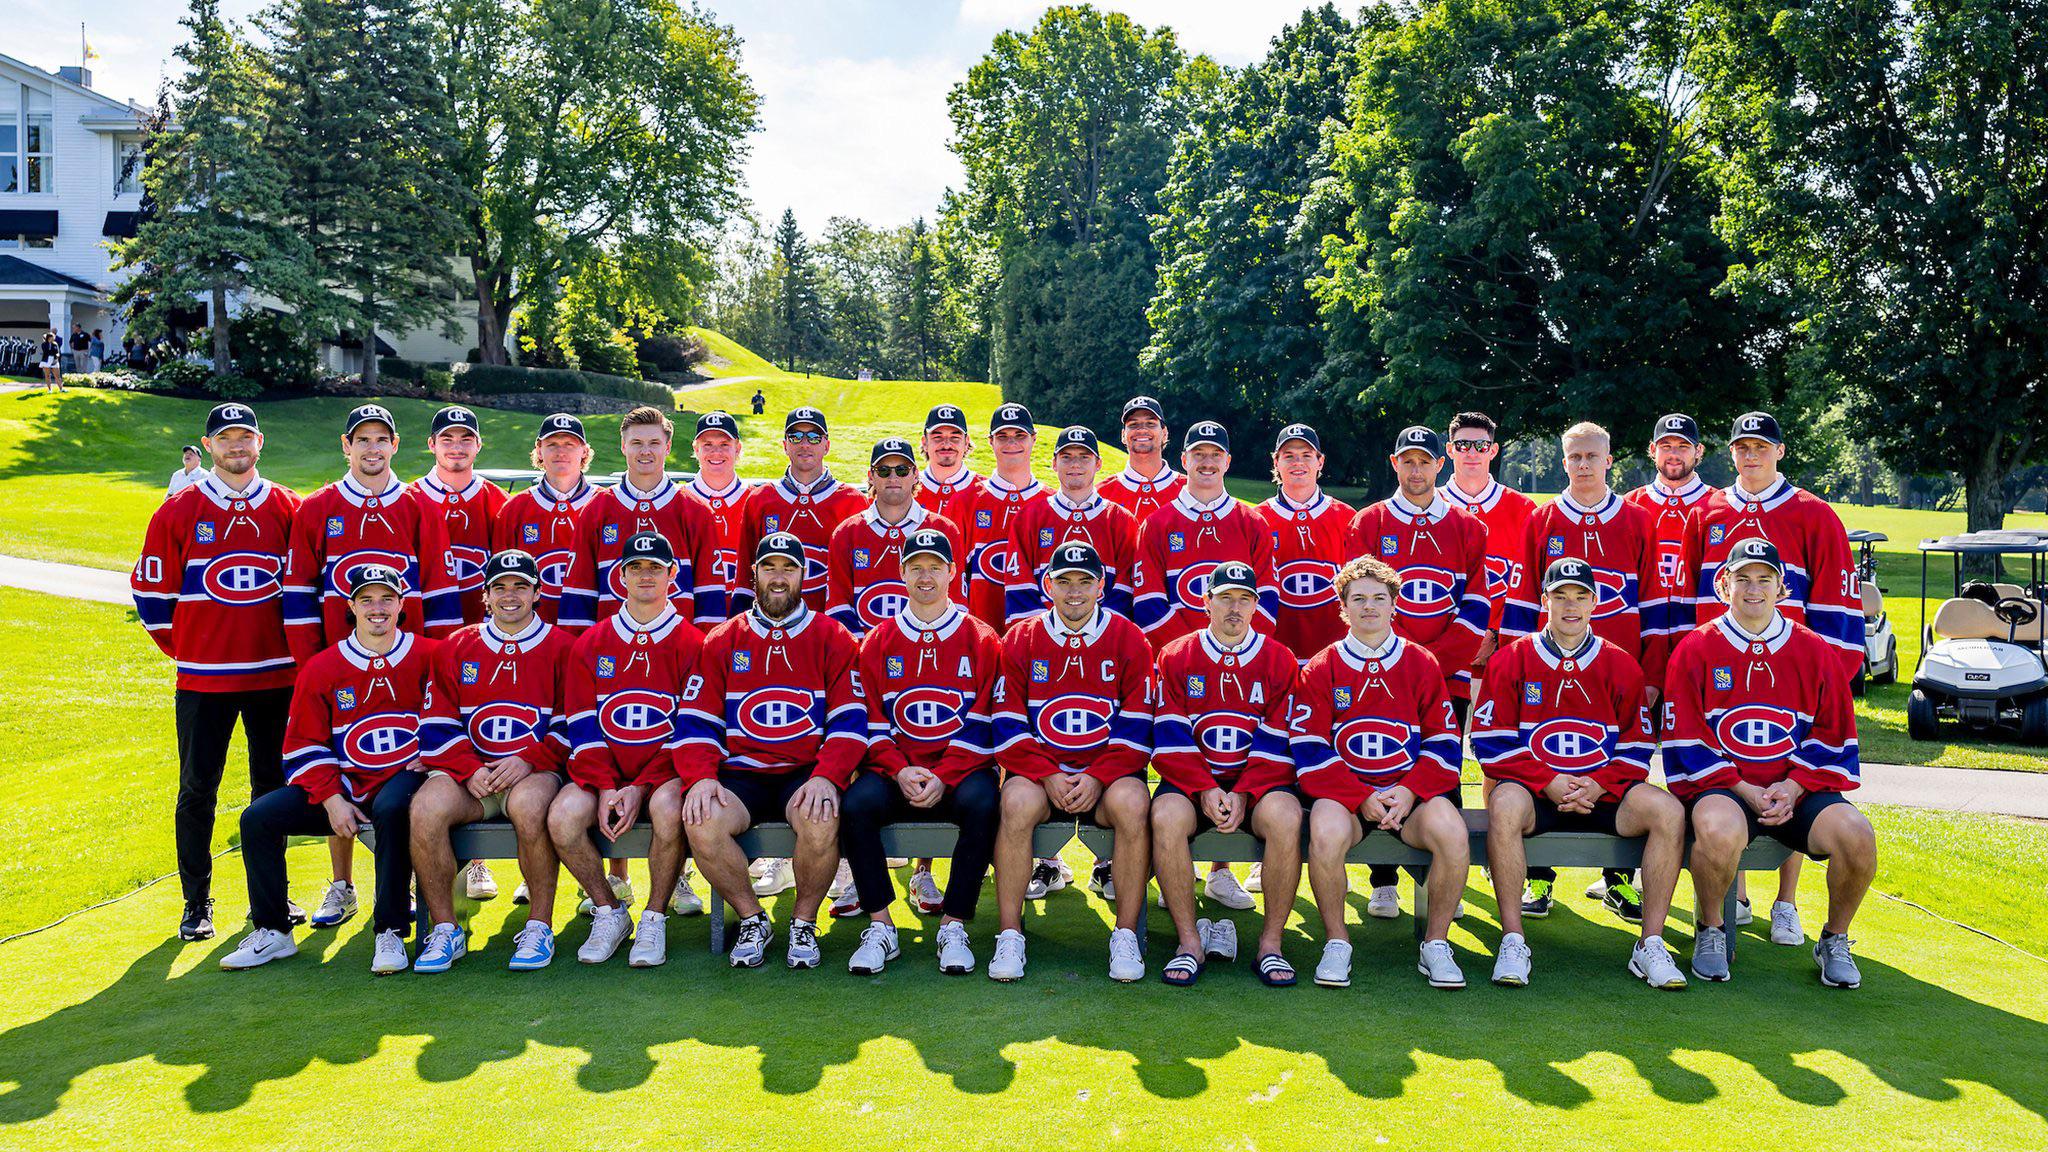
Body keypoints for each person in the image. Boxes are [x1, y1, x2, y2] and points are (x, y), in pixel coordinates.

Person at [1678, 410, 1864, 943]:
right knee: (1730, 783)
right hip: (1720, 671)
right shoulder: (1707, 510)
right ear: (1731, 452)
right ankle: (1733, 895)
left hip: (1795, 676)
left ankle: (1786, 901)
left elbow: (1838, 607)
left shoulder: (1813, 513)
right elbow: (1690, 599)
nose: (1751, 455)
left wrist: (1828, 684)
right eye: (1742, 447)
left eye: (1762, 446)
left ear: (1780, 451)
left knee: (1789, 773)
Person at [1664, 539, 1875, 988]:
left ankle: (1835, 938)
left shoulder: (1815, 650)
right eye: (1742, 578)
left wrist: (1794, 787)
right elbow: (1685, 737)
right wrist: (1744, 788)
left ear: (1782, 587)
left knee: (1857, 836)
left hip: (1795, 790)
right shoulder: (1696, 648)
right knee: (1717, 829)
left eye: (1764, 579)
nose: (1753, 589)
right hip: (1726, 789)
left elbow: (1833, 733)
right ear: (1724, 585)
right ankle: (1712, 929)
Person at [1472, 557, 1690, 989]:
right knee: (1504, 803)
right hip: (1537, 794)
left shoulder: (1621, 664)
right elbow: (1490, 741)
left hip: (1602, 795)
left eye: (1580, 596)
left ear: (1595, 601)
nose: (1570, 605)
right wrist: (1547, 781)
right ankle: (1513, 938)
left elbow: (1638, 745)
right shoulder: (1511, 660)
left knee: (1668, 811)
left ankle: (1651, 943)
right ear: (1544, 600)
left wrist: (1599, 783)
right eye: (1560, 596)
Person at [283, 403, 461, 923]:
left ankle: (409, 884)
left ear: (395, 445)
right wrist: (313, 669)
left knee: (406, 774)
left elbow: (442, 596)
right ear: (347, 446)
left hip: (411, 669)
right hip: (337, 670)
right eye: (362, 439)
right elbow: (298, 596)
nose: (372, 448)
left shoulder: (420, 506)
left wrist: (439, 673)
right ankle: (341, 885)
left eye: (381, 439)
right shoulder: (317, 508)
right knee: (339, 766)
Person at [132, 403, 303, 941]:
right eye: (225, 437)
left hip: (276, 676)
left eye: (244, 436)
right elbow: (150, 596)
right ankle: (196, 902)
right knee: (197, 789)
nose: (236, 445)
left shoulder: (288, 506)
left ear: (260, 442)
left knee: (272, 790)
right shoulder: (179, 509)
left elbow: (306, 588)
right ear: (208, 446)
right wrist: (192, 650)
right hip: (204, 680)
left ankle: (269, 899)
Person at [219, 567, 433, 973]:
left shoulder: (429, 656)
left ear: (401, 604)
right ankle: (274, 930)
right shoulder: (322, 668)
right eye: (366, 599)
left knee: (391, 808)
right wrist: (332, 800)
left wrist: (436, 751)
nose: (377, 608)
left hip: (404, 779)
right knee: (257, 818)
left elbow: (457, 712)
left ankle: (389, 929)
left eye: (386, 599)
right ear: (350, 606)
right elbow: (302, 745)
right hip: (345, 786)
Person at [1498, 422, 1667, 924]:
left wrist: (1651, 673)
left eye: (1593, 456)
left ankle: (1618, 881)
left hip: (1619, 675)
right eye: (1575, 457)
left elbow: (1655, 605)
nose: (1584, 465)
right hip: (1546, 672)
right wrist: (1513, 668)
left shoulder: (1637, 520)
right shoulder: (1542, 519)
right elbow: (1522, 600)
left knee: (1616, 767)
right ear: (1563, 461)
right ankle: (1538, 879)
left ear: (1609, 460)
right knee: (1545, 762)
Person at [675, 532, 867, 969]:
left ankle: (803, 922)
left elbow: (851, 721)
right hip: (740, 773)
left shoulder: (831, 636)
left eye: (788, 568)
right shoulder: (723, 639)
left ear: (804, 574)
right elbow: (696, 721)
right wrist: (700, 777)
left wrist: (827, 776)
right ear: (754, 574)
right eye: (769, 567)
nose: (778, 578)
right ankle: (752, 918)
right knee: (701, 819)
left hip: (805, 770)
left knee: (821, 817)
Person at [1293, 556, 1471, 990]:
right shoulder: (1321, 667)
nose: (1369, 606)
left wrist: (1409, 791)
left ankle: (1436, 943)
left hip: (1410, 798)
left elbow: (1445, 742)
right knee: (1325, 831)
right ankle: (1337, 941)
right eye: (1358, 599)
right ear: (1343, 608)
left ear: (1395, 604)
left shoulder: (1421, 662)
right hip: (1348, 799)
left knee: (1453, 831)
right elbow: (1309, 747)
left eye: (1378, 598)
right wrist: (1359, 797)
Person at [840, 528, 1006, 974]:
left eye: (935, 567)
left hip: (960, 771)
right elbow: (870, 719)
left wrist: (945, 775)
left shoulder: (982, 638)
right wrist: (898, 769)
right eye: (916, 567)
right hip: (897, 771)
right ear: (902, 573)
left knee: (985, 802)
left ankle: (954, 924)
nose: (926, 576)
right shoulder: (877, 640)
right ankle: (880, 924)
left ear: (952, 572)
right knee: (855, 804)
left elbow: (987, 718)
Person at [988, 542, 1155, 983]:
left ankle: (1125, 934)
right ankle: (1010, 933)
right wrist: (1046, 773)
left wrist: (1098, 777)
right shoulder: (1021, 638)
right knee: (1014, 803)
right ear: (1048, 585)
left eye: (1085, 581)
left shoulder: (1129, 638)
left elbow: (1139, 724)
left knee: (1134, 803)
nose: (1074, 591)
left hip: (1108, 776)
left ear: (1102, 586)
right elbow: (1006, 722)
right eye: (1064, 581)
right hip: (1040, 774)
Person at [1342, 426, 1489, 917]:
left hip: (1446, 676)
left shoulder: (1468, 527)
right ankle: (1382, 880)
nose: (1417, 469)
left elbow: (1476, 605)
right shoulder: (1369, 522)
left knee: (1442, 767)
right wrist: (1394, 659)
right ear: (1394, 463)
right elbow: (1360, 600)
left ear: (1439, 465)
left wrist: (1427, 665)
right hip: (1376, 668)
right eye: (1407, 461)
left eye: (1425, 461)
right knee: (1377, 760)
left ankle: (1440, 879)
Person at [408, 550, 576, 973]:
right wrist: (469, 769)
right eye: (499, 587)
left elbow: (573, 723)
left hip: (534, 773)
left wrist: (530, 759)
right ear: (485, 595)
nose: (510, 595)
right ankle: (446, 928)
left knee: (529, 805)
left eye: (520, 586)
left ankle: (539, 926)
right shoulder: (456, 646)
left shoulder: (563, 647)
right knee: (425, 808)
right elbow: (436, 722)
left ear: (537, 593)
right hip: (473, 777)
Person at [552, 532, 708, 968]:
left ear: (672, 574)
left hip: (664, 774)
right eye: (635, 568)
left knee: (668, 809)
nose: (645, 576)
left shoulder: (693, 643)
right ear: (620, 576)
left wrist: (641, 786)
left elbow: (691, 729)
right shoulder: (591, 643)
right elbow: (582, 724)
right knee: (562, 817)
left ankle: (654, 916)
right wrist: (605, 785)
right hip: (603, 775)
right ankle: (609, 909)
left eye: (655, 567)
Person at [1150, 561, 1303, 987]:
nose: (1235, 608)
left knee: (1286, 816)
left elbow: (1281, 735)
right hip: (1192, 782)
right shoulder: (1176, 655)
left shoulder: (1278, 658)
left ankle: (1271, 945)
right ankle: (1188, 942)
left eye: (1244, 599)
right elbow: (1169, 732)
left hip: (1258, 783)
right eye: (1225, 598)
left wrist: (1246, 791)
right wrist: (1203, 787)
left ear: (1255, 605)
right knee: (1165, 816)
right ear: (1206, 602)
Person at [560, 405, 726, 636]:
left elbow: (710, 599)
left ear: (667, 447)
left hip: (677, 651)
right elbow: (579, 595)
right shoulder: (596, 509)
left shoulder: (695, 510)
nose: (645, 451)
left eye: (654, 443)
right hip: (611, 649)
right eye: (636, 442)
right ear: (623, 446)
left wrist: (703, 652)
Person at [1132, 420, 1278, 653]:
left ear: (1227, 462)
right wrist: (1195, 654)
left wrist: (1235, 650)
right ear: (1184, 460)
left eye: (1216, 455)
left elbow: (1267, 600)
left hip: (1241, 659)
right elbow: (1148, 604)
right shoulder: (1156, 525)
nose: (1207, 463)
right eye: (1198, 454)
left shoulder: (1253, 523)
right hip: (1180, 663)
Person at [1439, 411, 1537, 700]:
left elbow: (1531, 587)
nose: (1472, 453)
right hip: (1441, 658)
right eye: (1462, 445)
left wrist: (1494, 634)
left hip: (1504, 655)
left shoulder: (1524, 510)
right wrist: (1460, 641)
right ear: (1450, 449)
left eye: (1480, 446)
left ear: (1493, 450)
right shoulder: (1430, 505)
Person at [825, 437, 964, 639]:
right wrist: (864, 652)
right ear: (871, 476)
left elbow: (957, 604)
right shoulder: (846, 533)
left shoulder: (944, 530)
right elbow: (838, 606)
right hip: (864, 653)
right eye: (883, 470)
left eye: (902, 470)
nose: (893, 477)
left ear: (915, 475)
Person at [735, 406, 869, 616]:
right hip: (772, 623)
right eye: (795, 437)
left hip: (831, 626)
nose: (805, 444)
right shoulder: (760, 499)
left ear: (827, 445)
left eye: (814, 437)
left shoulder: (853, 502)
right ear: (785, 445)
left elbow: (861, 578)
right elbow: (745, 573)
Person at [1005, 425, 1140, 624]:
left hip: (1105, 635)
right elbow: (1019, 585)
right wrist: (1046, 631)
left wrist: (1102, 630)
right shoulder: (1029, 517)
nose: (1075, 464)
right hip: (1044, 635)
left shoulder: (1121, 520)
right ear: (1054, 463)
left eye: (1084, 457)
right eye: (1066, 457)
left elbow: (1126, 586)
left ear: (1098, 464)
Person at [1256, 423, 1355, 662]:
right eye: (1289, 456)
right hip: (1275, 653)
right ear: (1276, 462)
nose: (1297, 462)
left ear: (1320, 461)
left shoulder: (1347, 517)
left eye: (1306, 455)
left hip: (1338, 655)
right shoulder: (1257, 519)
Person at [493, 413, 602, 626]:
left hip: (593, 630)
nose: (561, 452)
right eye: (552, 444)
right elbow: (499, 583)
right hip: (531, 634)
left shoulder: (605, 505)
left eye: (569, 444)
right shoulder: (514, 510)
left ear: (584, 451)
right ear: (539, 450)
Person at [416, 406, 510, 628]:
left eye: (466, 439)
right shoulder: (409, 501)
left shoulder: (501, 503)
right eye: (447, 439)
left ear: (479, 445)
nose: (456, 447)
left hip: (485, 633)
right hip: (422, 631)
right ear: (432, 444)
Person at [959, 403, 1049, 627]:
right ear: (991, 441)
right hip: (980, 632)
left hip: (1041, 635)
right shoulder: (966, 501)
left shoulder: (1051, 503)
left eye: (1020, 435)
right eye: (1002, 436)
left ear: (1034, 439)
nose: (1011, 443)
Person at [684, 411, 752, 609]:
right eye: (708, 445)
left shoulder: (756, 501)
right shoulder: (679, 501)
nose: (716, 453)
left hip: (745, 618)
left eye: (724, 444)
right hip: (691, 618)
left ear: (737, 448)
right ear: (696, 449)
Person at [1097, 396, 1184, 522]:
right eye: (1133, 424)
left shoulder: (1189, 490)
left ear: (1164, 434)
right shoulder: (1101, 493)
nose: (1142, 429)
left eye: (1150, 423)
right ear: (1123, 435)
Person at [916, 403, 985, 530]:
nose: (947, 445)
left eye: (955, 437)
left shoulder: (987, 491)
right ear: (924, 443)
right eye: (938, 437)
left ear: (966, 442)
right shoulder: (907, 489)